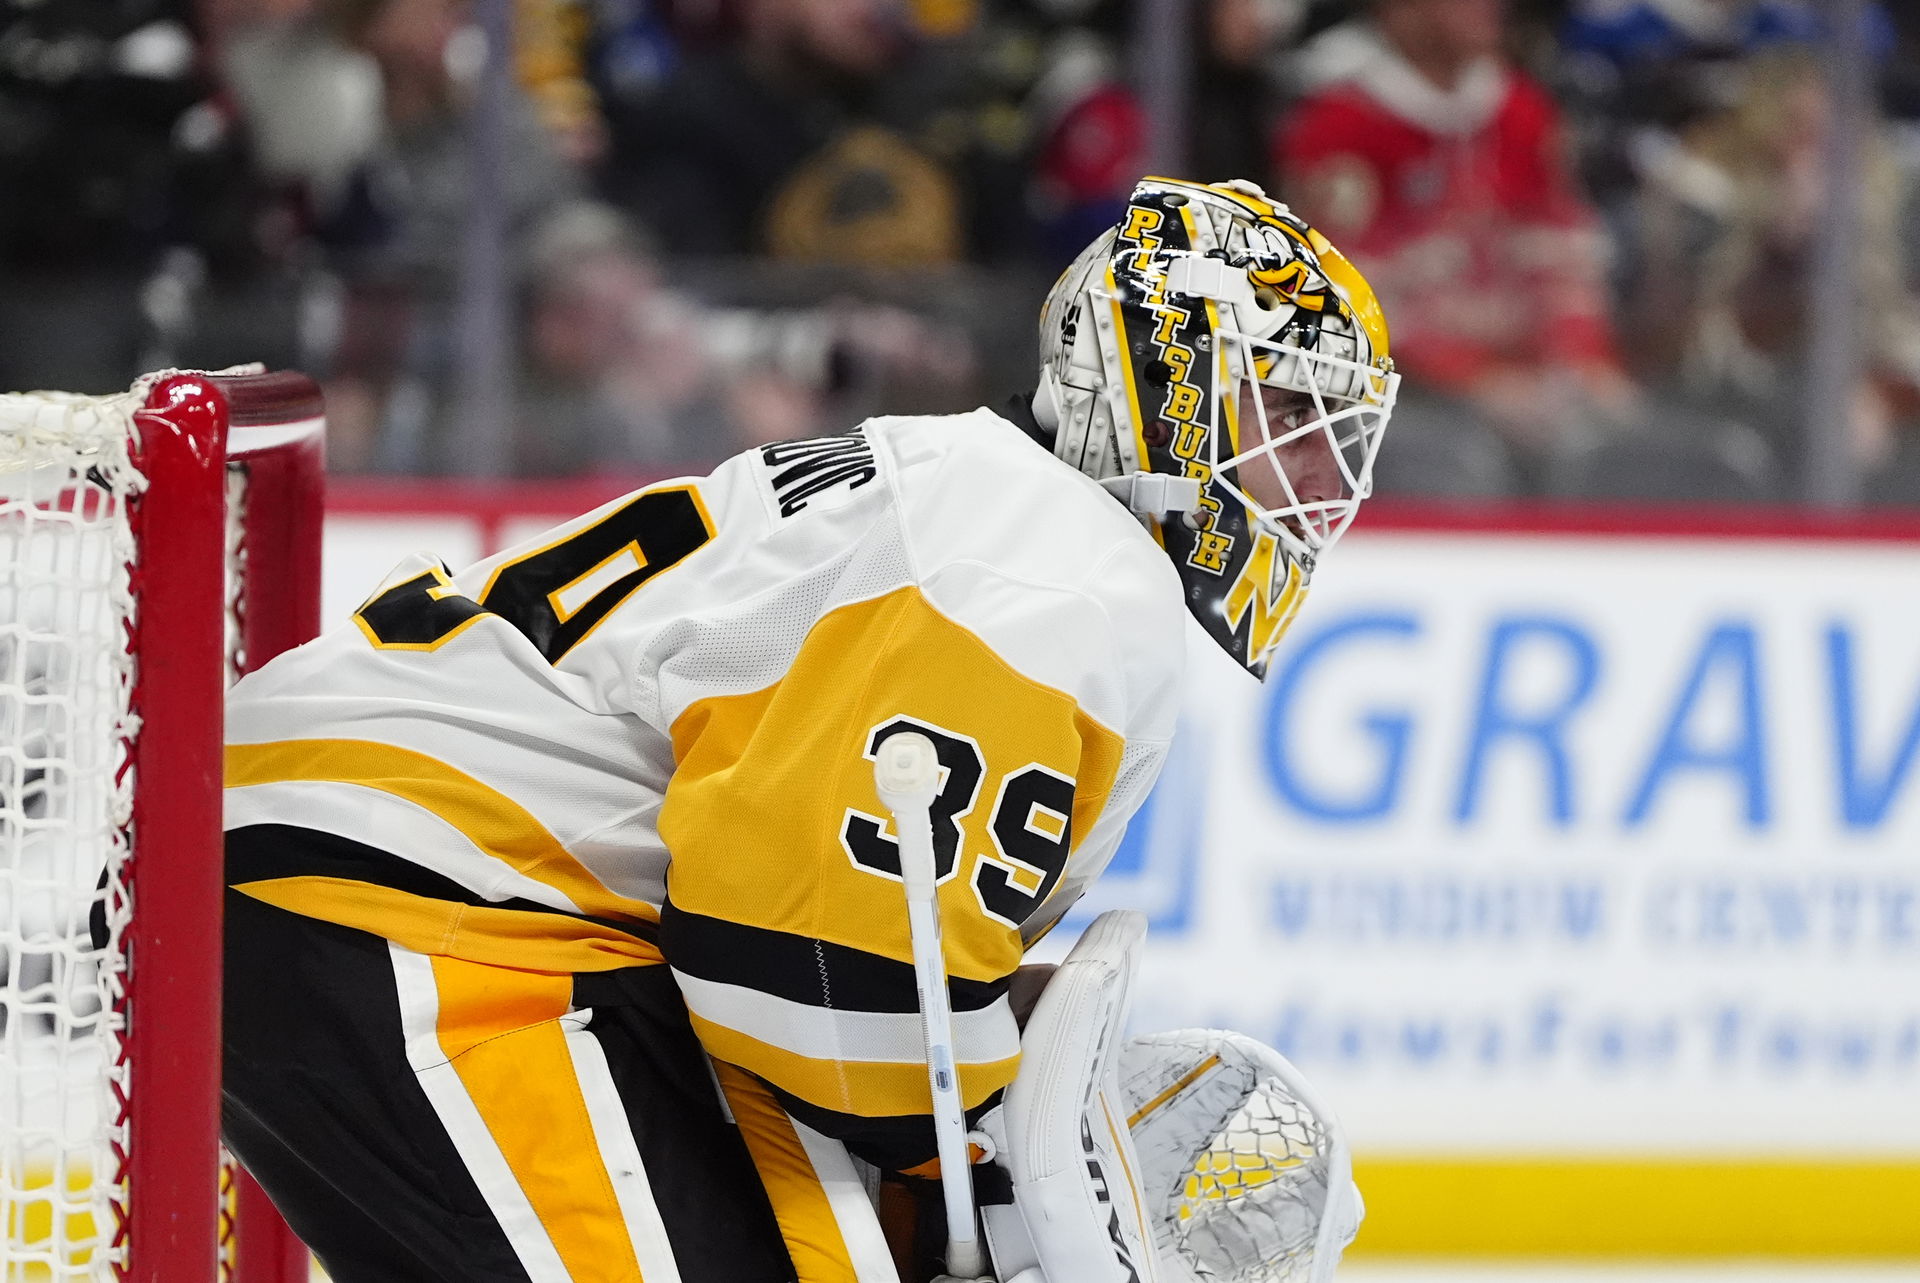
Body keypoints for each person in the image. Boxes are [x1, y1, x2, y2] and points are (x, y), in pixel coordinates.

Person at [219, 176, 1396, 1281]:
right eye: (1289, 405)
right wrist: (987, 1173)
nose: (1321, 472)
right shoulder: (1054, 565)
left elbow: (796, 951)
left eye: (1338, 432)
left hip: (399, 880)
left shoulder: (997, 511)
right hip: (420, 894)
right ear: (1165, 378)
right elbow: (803, 955)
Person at [1276, 0, 1631, 489]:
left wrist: (1584, 358)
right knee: (1458, 467)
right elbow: (1344, 306)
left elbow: (1563, 262)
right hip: (1397, 399)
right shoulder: (1340, 122)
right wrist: (1474, 379)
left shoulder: (1523, 111)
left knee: (1632, 452)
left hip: (1531, 387)